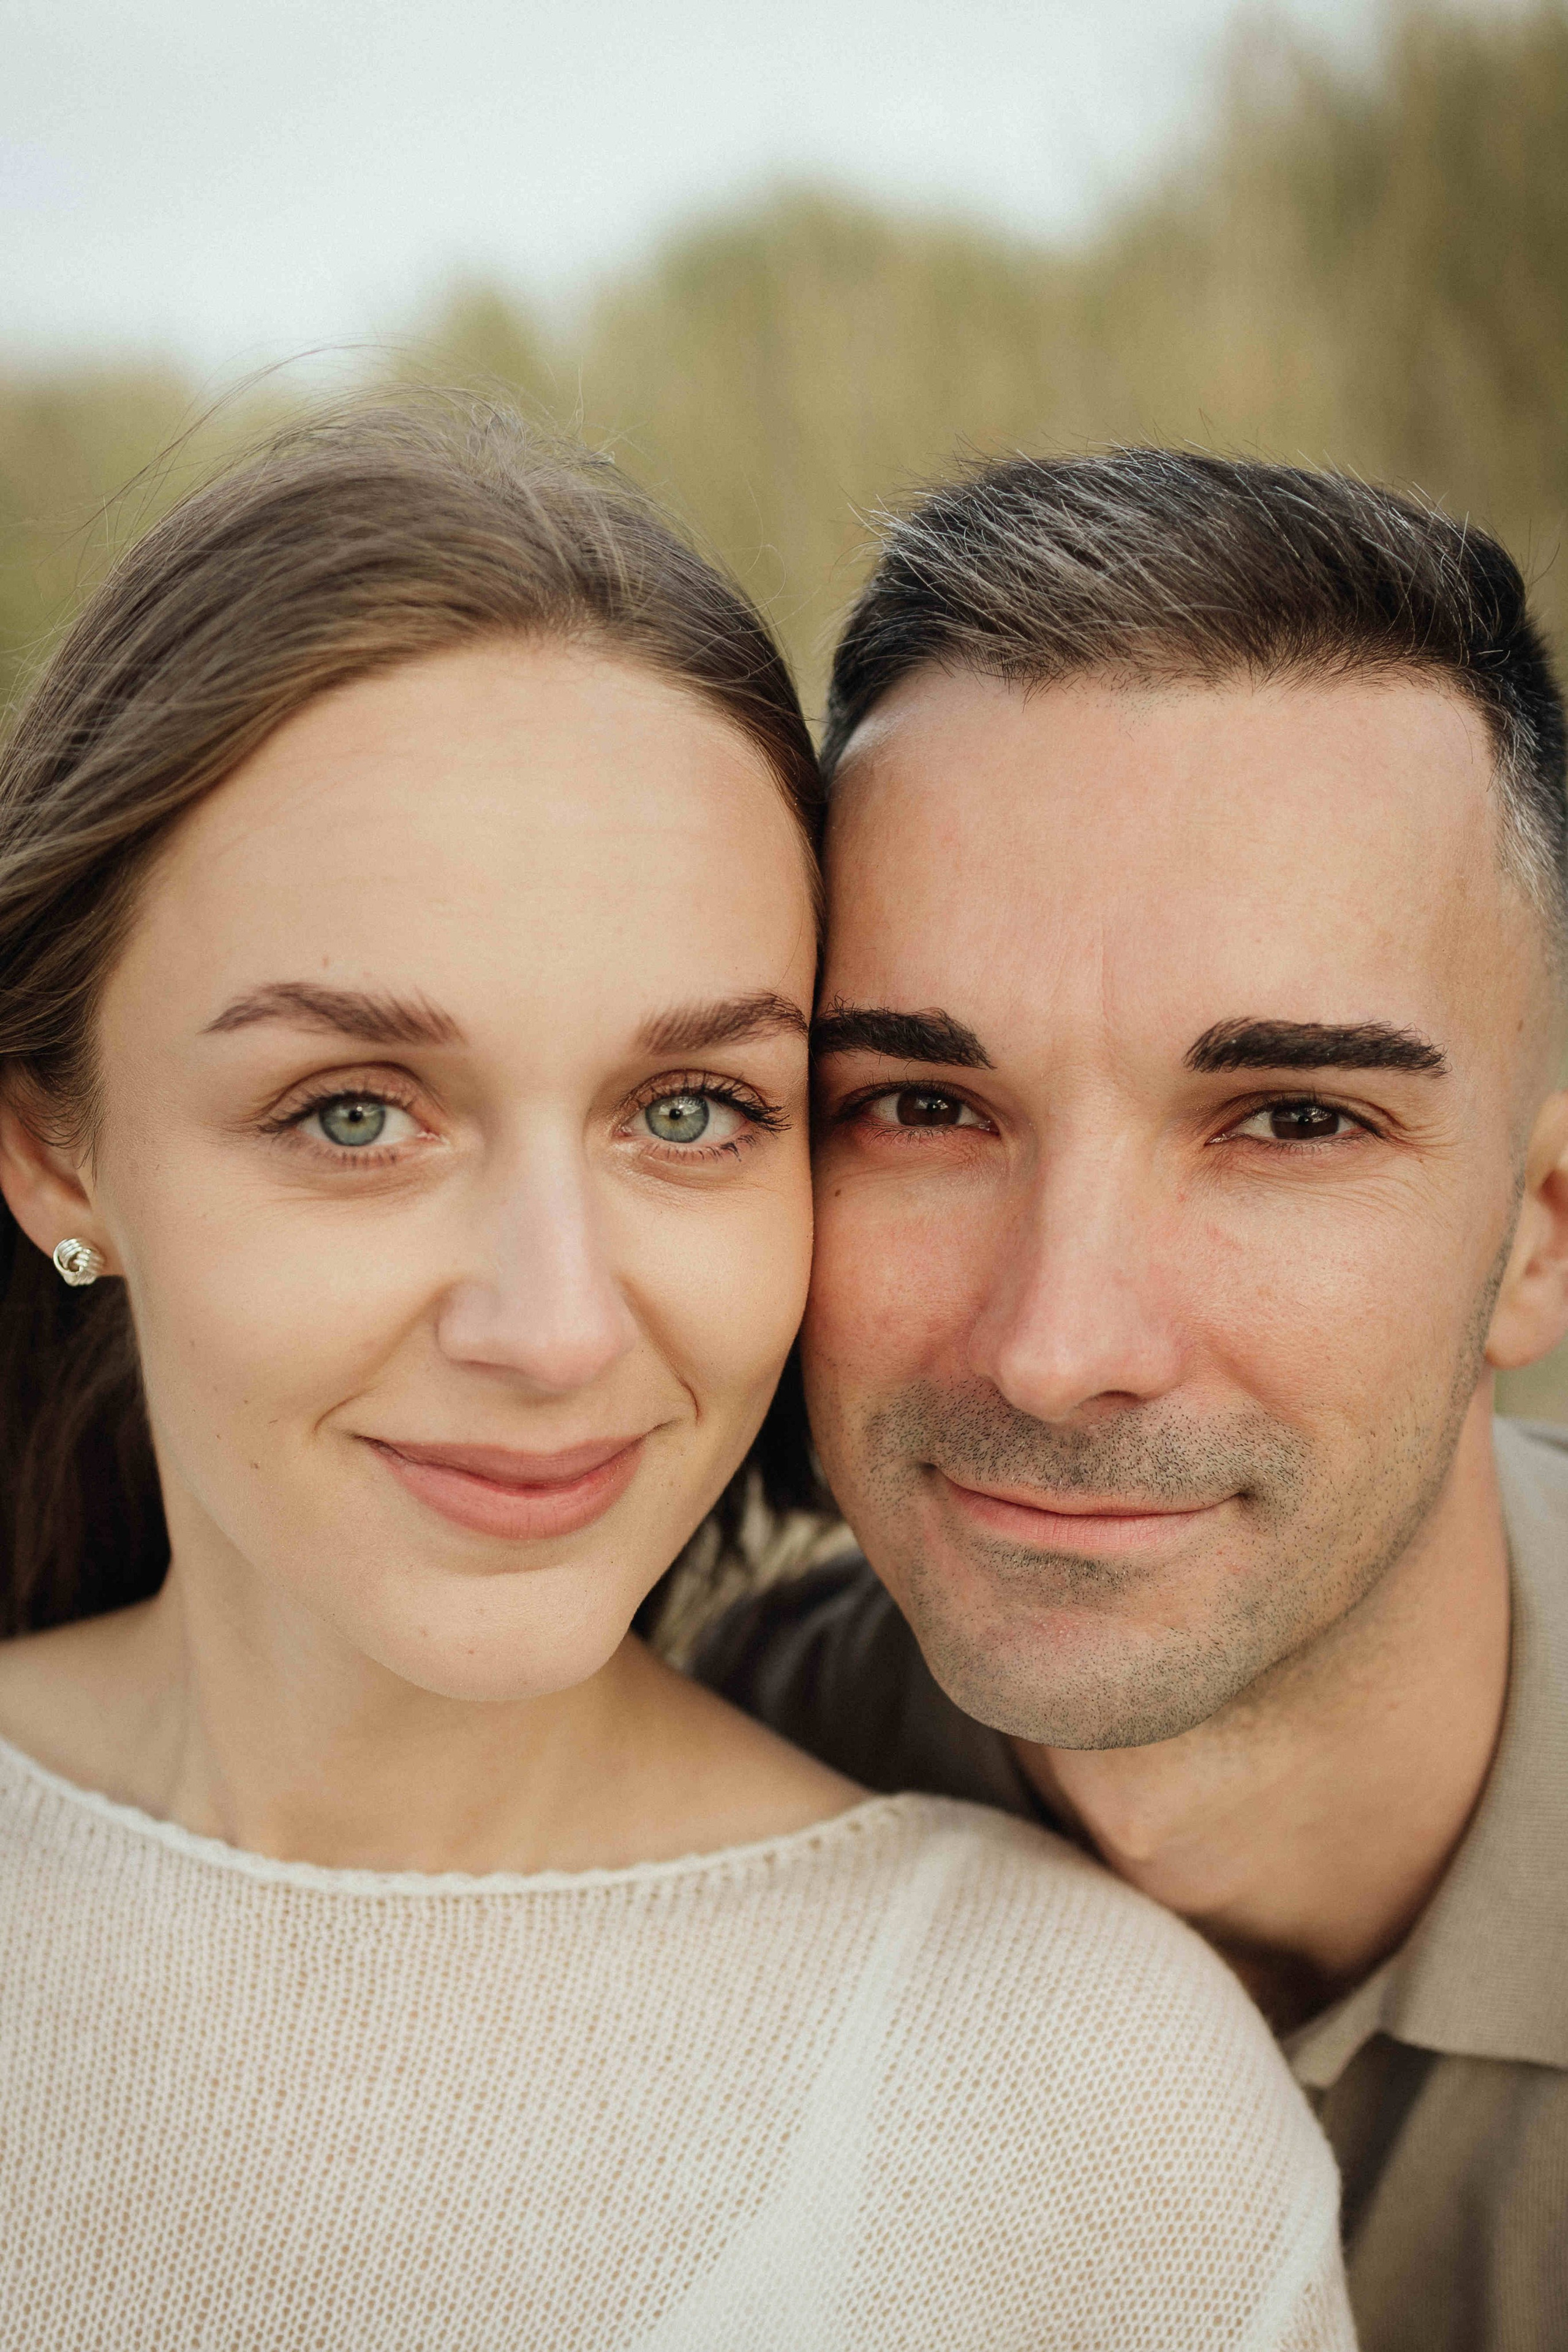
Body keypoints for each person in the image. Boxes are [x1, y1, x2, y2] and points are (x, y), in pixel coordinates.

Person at [0, 404, 1351, 2351]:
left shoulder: (1086, 2120)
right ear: (58, 1152)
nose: (552, 1327)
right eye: (357, 1112)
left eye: (694, 1108)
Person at [698, 450, 1568, 2352]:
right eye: (923, 1106)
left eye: (1290, 1121)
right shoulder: (647, 1830)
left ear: (1540, 1239)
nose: (1054, 1343)